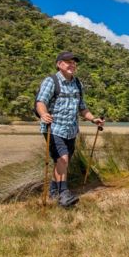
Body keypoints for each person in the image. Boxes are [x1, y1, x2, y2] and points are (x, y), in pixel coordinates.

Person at [35, 51, 105, 207]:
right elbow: (41, 101)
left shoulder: (78, 84)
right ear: (59, 64)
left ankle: (54, 192)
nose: (72, 65)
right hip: (53, 128)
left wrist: (93, 119)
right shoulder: (51, 81)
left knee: (62, 162)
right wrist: (43, 113)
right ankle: (64, 194)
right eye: (68, 62)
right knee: (63, 159)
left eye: (74, 63)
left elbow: (82, 108)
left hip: (71, 130)